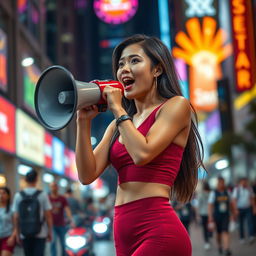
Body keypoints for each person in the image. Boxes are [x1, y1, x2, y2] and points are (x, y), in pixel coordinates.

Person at [75, 34, 204, 256]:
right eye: (121, 64)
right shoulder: (119, 125)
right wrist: (83, 123)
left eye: (134, 61)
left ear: (157, 69)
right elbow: (86, 175)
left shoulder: (175, 106)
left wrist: (118, 109)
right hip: (123, 231)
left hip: (159, 231)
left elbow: (143, 153)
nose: (124, 68)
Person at [12, 169, 52, 256]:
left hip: (24, 233)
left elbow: (16, 217)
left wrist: (17, 233)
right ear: (36, 180)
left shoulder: (18, 195)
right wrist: (50, 231)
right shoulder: (43, 195)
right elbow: (48, 215)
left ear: (25, 180)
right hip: (41, 232)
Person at [208, 177, 233, 256]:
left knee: (225, 231)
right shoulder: (213, 193)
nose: (221, 184)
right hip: (217, 216)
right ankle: (219, 246)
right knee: (218, 233)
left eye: (222, 182)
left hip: (225, 215)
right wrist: (210, 217)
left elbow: (231, 204)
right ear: (217, 183)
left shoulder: (227, 192)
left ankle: (226, 249)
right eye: (220, 183)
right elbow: (210, 206)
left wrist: (232, 214)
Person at [49, 181, 74, 256]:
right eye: (52, 186)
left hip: (61, 224)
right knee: (53, 243)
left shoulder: (62, 198)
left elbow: (67, 210)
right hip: (51, 225)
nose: (54, 188)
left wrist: (71, 220)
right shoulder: (48, 198)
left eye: (55, 186)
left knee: (63, 243)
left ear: (58, 188)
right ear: (50, 188)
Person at [232, 177, 256, 243]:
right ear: (240, 182)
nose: (244, 183)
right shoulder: (237, 189)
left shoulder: (249, 189)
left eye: (245, 181)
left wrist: (254, 207)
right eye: (243, 181)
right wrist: (235, 209)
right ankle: (242, 237)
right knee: (241, 224)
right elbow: (234, 200)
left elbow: (252, 198)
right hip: (240, 209)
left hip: (248, 208)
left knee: (250, 222)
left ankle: (251, 235)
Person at [0, 187, 16, 256]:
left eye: (3, 193)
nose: (1, 196)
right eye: (0, 193)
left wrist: (12, 237)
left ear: (8, 195)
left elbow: (16, 226)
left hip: (7, 238)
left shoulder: (12, 209)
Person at [197, 181, 212, 250]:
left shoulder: (201, 194)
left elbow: (198, 205)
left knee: (205, 228)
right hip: (211, 213)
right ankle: (209, 236)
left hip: (203, 213)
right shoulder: (211, 194)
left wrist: (198, 214)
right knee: (210, 226)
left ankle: (206, 242)